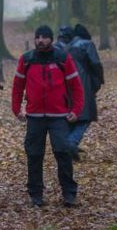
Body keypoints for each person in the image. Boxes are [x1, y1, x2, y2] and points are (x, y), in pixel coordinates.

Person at [12, 24, 84, 208]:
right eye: (38, 37)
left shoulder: (62, 58)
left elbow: (76, 86)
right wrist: (16, 108)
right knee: (34, 155)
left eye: (44, 37)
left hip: (59, 116)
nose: (40, 40)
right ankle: (35, 195)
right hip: (34, 116)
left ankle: (69, 194)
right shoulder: (26, 60)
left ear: (51, 39)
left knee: (63, 153)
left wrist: (76, 110)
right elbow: (18, 86)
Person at [63, 24, 105, 158]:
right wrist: (99, 80)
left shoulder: (66, 47)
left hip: (66, 84)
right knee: (86, 116)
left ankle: (69, 144)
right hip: (83, 83)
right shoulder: (87, 44)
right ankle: (71, 142)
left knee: (71, 115)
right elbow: (96, 64)